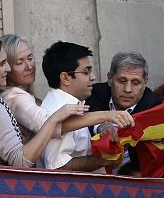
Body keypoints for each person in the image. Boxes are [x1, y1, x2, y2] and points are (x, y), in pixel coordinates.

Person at [0, 34, 75, 167]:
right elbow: (21, 161)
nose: (7, 69)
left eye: (30, 58)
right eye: (3, 64)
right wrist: (53, 120)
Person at [0, 34, 132, 146]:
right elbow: (48, 124)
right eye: (19, 62)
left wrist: (101, 125)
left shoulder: (33, 98)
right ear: (7, 68)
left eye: (30, 58)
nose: (29, 66)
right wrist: (106, 115)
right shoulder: (14, 96)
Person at [38, 41, 133, 171]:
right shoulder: (57, 109)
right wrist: (103, 160)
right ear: (65, 78)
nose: (93, 77)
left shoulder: (70, 103)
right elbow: (57, 167)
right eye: (86, 72)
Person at [87, 51, 160, 173]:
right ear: (110, 78)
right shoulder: (93, 94)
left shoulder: (154, 108)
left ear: (145, 83)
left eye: (135, 83)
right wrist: (100, 126)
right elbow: (83, 120)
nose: (128, 89)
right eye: (122, 81)